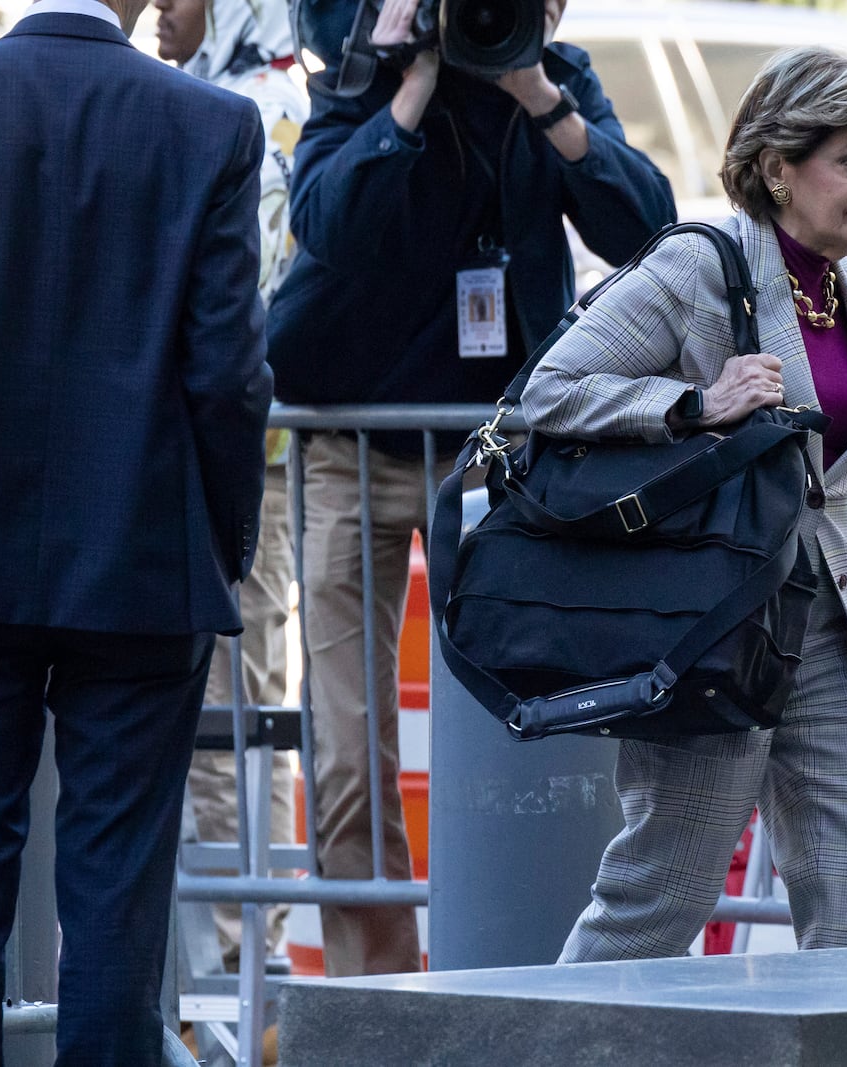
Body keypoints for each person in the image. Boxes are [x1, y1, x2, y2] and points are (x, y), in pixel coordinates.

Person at [265, 0, 673, 976]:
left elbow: (648, 228)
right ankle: (386, 997)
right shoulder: (364, 79)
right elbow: (328, 226)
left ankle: (517, 978)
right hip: (351, 447)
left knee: (519, 733)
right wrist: (406, 87)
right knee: (350, 759)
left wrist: (537, 96)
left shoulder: (557, 77)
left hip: (498, 462)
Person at [523, 46, 847, 961]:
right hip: (715, 620)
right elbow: (547, 393)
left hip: (830, 620)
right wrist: (695, 406)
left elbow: (839, 481)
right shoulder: (697, 267)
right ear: (779, 168)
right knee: (661, 893)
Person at [0, 0, 272, 1059]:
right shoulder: (208, 124)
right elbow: (227, 373)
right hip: (141, 551)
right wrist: (226, 538)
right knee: (116, 890)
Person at [156, 0, 307, 973]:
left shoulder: (269, 108)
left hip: (240, 467)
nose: (157, 9)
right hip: (186, 461)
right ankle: (224, 962)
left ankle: (245, 964)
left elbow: (242, 321)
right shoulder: (192, 93)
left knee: (238, 718)